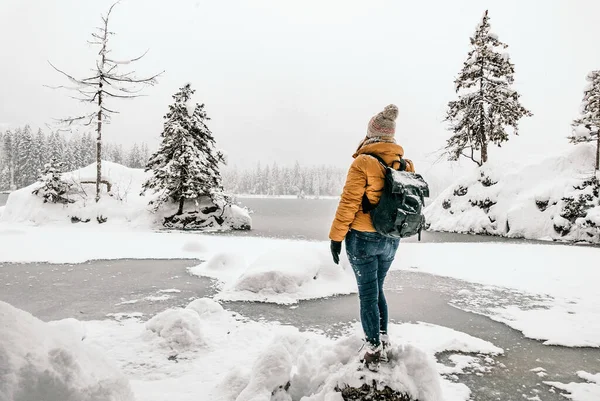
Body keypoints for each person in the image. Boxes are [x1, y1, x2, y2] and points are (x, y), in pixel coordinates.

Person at [329, 104, 415, 371]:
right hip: (391, 238)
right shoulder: (404, 163)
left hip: (363, 239)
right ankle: (383, 339)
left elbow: (349, 203)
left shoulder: (363, 162)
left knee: (367, 295)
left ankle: (373, 347)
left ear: (371, 134)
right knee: (378, 290)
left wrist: (336, 237)